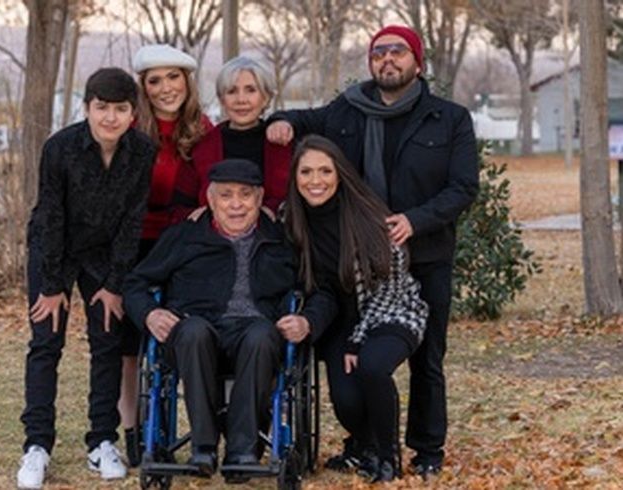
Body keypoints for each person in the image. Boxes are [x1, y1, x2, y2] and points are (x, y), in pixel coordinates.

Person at [267, 25, 479, 477]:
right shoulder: (349, 109)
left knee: (427, 359)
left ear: (417, 63)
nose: (387, 59)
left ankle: (426, 450)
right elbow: (310, 123)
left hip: (425, 254)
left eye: (397, 52)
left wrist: (414, 219)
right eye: (378, 52)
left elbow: (464, 187)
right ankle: (364, 444)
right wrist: (280, 119)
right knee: (352, 360)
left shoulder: (449, 118)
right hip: (356, 263)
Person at [123, 159, 332, 481]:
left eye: (245, 195)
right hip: (195, 333)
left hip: (257, 335)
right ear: (210, 198)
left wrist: (308, 321)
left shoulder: (283, 240)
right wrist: (149, 314)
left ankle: (241, 451)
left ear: (260, 199)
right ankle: (203, 448)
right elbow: (134, 284)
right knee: (192, 331)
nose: (236, 204)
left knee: (262, 334)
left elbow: (322, 292)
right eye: (225, 195)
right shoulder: (184, 237)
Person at [17, 68, 156, 489]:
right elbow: (52, 215)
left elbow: (133, 220)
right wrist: (52, 285)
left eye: (120, 109)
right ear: (86, 108)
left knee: (108, 342)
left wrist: (115, 284)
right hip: (53, 249)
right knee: (46, 342)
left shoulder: (143, 151)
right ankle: (36, 446)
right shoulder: (60, 148)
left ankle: (101, 441)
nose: (110, 118)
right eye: (101, 108)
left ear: (133, 112)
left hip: (104, 255)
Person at [283, 134, 429, 482]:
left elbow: (390, 288)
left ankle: (387, 455)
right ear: (295, 177)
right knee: (346, 400)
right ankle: (362, 445)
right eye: (306, 172)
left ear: (340, 174)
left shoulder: (370, 216)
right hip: (337, 320)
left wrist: (357, 341)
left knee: (373, 367)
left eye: (324, 171)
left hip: (391, 312)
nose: (315, 181)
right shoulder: (290, 218)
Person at [119, 43, 213, 468]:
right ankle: (134, 430)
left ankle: (205, 431)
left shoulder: (205, 129)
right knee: (130, 344)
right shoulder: (130, 129)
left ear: (187, 81)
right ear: (143, 87)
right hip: (134, 241)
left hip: (184, 246)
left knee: (187, 334)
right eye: (154, 81)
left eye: (173, 77)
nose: (165, 88)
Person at [191, 56, 292, 213]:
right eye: (232, 91)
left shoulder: (284, 141)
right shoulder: (203, 145)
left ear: (265, 98)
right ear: (222, 100)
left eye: (251, 90)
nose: (241, 100)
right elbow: (185, 203)